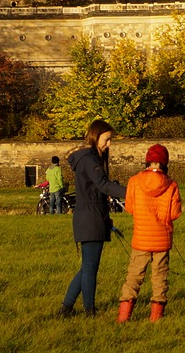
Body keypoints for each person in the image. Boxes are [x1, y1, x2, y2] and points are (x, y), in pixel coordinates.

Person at [58, 119, 126, 317]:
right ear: (96, 136)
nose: (109, 144)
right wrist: (133, 191)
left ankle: (66, 308)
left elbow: (100, 189)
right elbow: (104, 185)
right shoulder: (90, 160)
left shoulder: (89, 159)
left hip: (91, 215)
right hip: (90, 217)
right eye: (107, 139)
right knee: (90, 269)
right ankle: (90, 311)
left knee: (87, 267)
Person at [117, 143, 182, 324]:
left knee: (134, 277)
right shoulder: (171, 184)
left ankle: (123, 317)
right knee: (160, 277)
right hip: (162, 239)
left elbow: (129, 208)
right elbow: (175, 214)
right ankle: (156, 318)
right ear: (165, 162)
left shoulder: (134, 181)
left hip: (141, 238)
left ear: (147, 160)